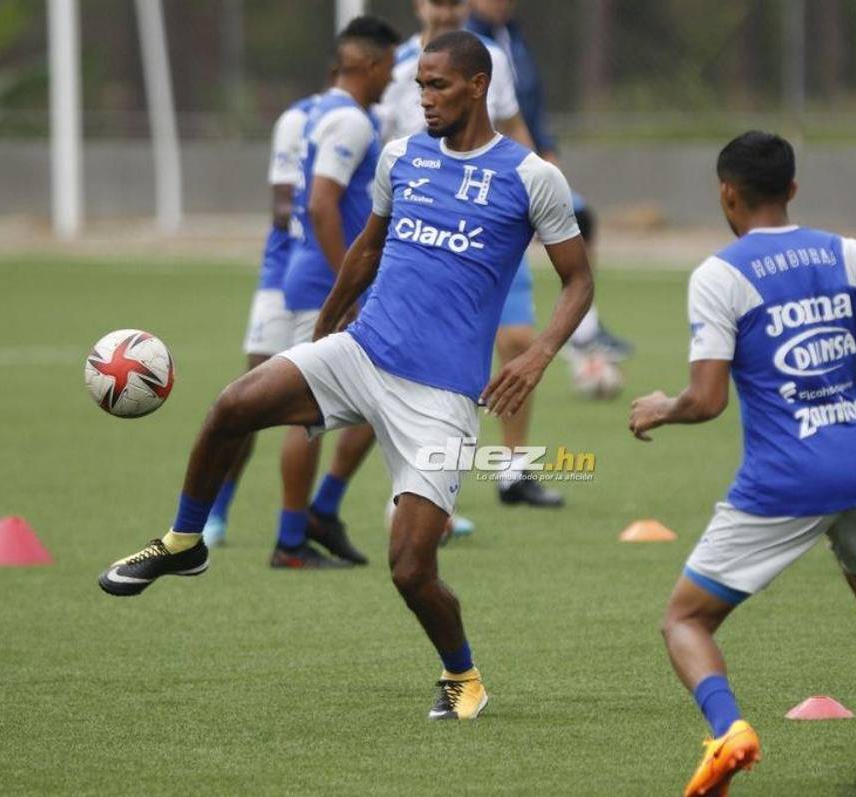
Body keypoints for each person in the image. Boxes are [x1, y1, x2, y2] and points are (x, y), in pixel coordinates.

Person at [97, 31, 593, 719]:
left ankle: (463, 675)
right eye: (419, 85)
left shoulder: (532, 176)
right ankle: (185, 542)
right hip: (361, 351)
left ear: (478, 87)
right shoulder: (401, 155)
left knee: (411, 568)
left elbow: (579, 281)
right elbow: (367, 248)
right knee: (232, 405)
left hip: (441, 395)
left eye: (439, 86)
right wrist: (327, 324)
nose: (424, 98)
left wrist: (537, 354)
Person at [629, 132, 856, 793]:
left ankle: (729, 728)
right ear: (793, 190)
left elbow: (708, 399)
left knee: (685, 619)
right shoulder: (848, 252)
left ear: (727, 193)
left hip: (782, 480)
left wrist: (661, 405)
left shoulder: (721, 274)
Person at [380, 0, 562, 508]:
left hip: (490, 222)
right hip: (423, 233)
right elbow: (383, 152)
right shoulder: (396, 67)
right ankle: (414, 489)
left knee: (519, 339)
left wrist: (543, 188)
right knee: (416, 361)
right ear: (420, 5)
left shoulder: (490, 61)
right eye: (438, 1)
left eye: (457, 2)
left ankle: (513, 470)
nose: (447, 10)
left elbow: (512, 123)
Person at [203, 85, 372, 566]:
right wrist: (316, 210)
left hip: (310, 271)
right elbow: (284, 207)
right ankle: (221, 515)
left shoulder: (367, 119)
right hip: (289, 273)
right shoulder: (301, 119)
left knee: (315, 406)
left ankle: (312, 516)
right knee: (262, 400)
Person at [262, 16, 400, 567]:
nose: (395, 76)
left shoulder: (318, 111)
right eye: (390, 65)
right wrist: (350, 285)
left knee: (379, 400)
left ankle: (320, 511)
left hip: (314, 277)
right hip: (325, 283)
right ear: (370, 64)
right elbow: (322, 204)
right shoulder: (351, 121)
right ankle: (291, 539)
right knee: (308, 414)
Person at [467, 0, 633, 363]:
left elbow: (529, 104)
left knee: (580, 219)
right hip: (492, 172)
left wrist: (546, 152)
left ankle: (583, 330)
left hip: (527, 161)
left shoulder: (511, 36)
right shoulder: (469, 45)